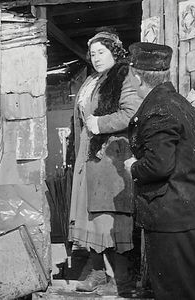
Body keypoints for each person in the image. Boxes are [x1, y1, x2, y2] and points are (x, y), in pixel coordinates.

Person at [125, 42, 195, 300]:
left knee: (177, 294)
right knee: (190, 292)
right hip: (189, 215)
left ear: (136, 76)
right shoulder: (177, 101)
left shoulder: (158, 109)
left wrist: (133, 167)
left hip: (174, 220)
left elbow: (159, 165)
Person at [69, 28, 142, 294]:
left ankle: (123, 279)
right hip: (89, 155)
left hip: (113, 156)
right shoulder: (93, 80)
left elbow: (131, 112)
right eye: (93, 53)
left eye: (102, 52)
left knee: (112, 216)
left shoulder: (124, 76)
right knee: (92, 214)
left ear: (114, 51)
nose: (97, 57)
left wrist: (100, 123)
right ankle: (99, 271)